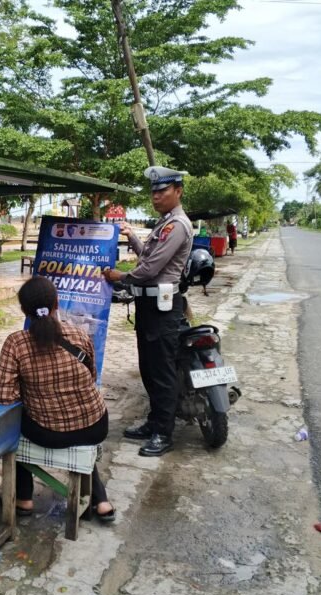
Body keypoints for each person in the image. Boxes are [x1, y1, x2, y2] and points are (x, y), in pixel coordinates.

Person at [0, 276, 115, 521]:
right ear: (57, 303)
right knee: (81, 424)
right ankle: (102, 502)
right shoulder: (79, 335)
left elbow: (1, 395)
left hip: (50, 433)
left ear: (24, 310)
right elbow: (91, 377)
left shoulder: (17, 343)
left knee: (15, 421)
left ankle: (24, 499)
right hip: (96, 426)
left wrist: (27, 394)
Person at [103, 166, 193, 457]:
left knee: (163, 371)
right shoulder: (165, 223)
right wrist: (131, 237)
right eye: (153, 192)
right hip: (149, 305)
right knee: (149, 368)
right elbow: (149, 257)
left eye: (162, 191)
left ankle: (163, 433)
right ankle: (154, 422)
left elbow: (150, 269)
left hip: (162, 307)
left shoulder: (177, 225)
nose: (156, 197)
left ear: (177, 191)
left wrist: (121, 277)